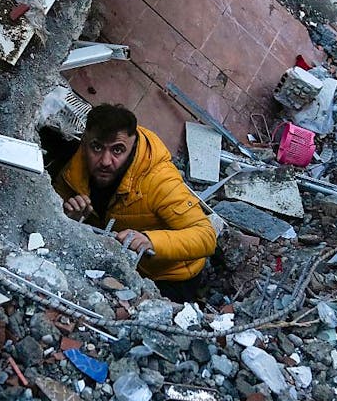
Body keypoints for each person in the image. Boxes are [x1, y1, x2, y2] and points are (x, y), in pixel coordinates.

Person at [53, 104, 216, 303]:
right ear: (85, 141)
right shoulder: (76, 169)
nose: (105, 161)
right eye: (97, 147)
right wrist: (70, 216)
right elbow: (52, 207)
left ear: (133, 147)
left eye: (117, 150)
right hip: (119, 262)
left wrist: (151, 241)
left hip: (170, 276)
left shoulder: (160, 180)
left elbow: (206, 236)